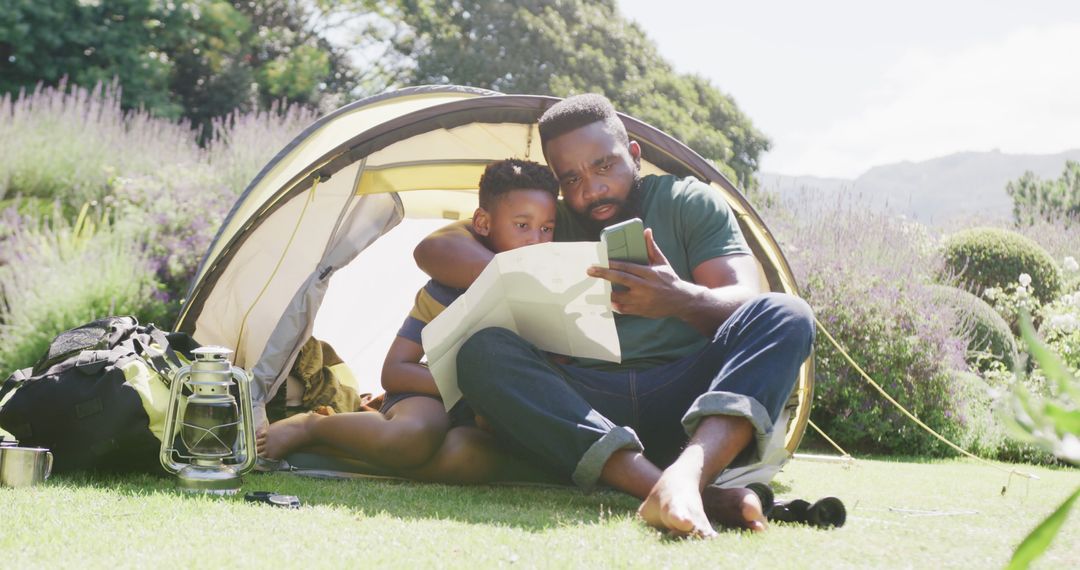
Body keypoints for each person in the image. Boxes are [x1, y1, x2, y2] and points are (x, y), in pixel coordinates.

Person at [413, 94, 815, 536]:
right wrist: (522, 274)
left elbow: (746, 298)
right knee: (482, 352)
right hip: (585, 406)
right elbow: (433, 249)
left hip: (688, 403)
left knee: (787, 313)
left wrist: (680, 299)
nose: (591, 189)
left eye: (604, 166)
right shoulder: (549, 223)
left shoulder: (688, 201)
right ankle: (683, 492)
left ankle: (687, 476)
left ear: (634, 156)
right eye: (572, 178)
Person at [258, 159, 560, 483]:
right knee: (410, 436)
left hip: (487, 414)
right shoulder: (447, 287)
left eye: (547, 228)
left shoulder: (551, 293)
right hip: (431, 393)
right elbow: (394, 371)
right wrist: (472, 387)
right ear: (483, 223)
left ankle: (349, 453)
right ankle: (313, 426)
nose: (536, 241)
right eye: (522, 226)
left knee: (469, 457)